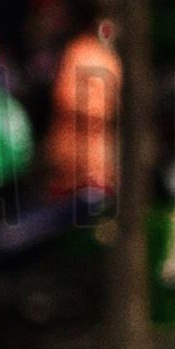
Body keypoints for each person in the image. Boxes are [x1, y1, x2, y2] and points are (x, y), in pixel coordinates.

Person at [42, 13, 120, 209]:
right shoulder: (80, 52)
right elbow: (66, 96)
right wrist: (97, 112)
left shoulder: (109, 57)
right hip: (73, 152)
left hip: (97, 158)